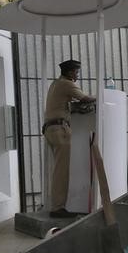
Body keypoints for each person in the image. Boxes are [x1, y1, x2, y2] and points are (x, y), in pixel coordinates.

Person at [43, 59, 96, 218]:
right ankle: (58, 207)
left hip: (51, 128)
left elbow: (65, 104)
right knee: (62, 171)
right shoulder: (67, 84)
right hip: (60, 129)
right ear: (70, 72)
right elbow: (85, 99)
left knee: (58, 169)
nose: (77, 74)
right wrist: (102, 94)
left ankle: (56, 205)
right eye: (76, 71)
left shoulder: (55, 84)